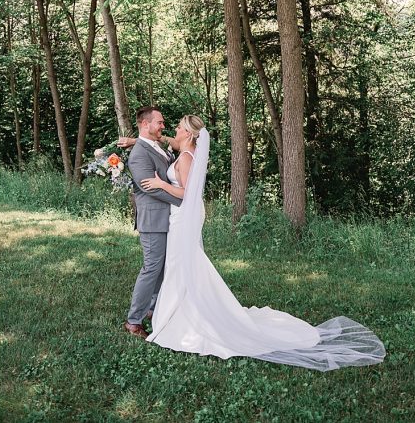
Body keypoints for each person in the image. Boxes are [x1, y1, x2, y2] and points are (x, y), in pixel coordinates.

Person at [139, 116, 386, 370]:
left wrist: (160, 183)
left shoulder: (188, 158)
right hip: (181, 216)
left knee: (183, 262)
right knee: (184, 262)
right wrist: (137, 139)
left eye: (179, 128)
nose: (174, 130)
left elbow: (187, 192)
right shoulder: (187, 152)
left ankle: (187, 315)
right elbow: (169, 142)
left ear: (189, 135)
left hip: (183, 216)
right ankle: (181, 309)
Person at [122, 106, 183, 338]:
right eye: (159, 122)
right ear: (145, 124)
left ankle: (153, 309)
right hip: (153, 218)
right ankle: (133, 321)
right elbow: (150, 187)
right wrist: (182, 201)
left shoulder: (155, 146)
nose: (162, 126)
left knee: (160, 269)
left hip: (166, 217)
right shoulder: (139, 154)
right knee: (151, 269)